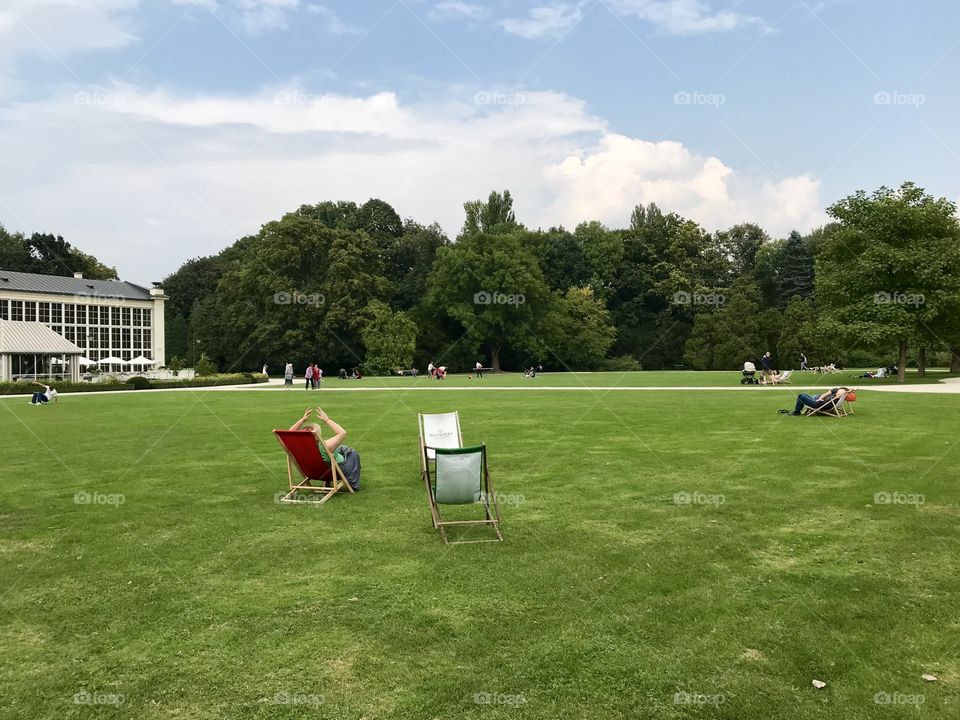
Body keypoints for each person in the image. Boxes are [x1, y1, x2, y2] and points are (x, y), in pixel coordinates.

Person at [289, 408, 361, 490]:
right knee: (353, 453)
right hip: (336, 470)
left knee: (342, 448)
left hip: (315, 472)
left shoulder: (298, 447)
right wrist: (327, 419)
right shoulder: (325, 446)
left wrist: (302, 420)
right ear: (317, 435)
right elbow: (342, 433)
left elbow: (289, 433)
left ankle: (328, 479)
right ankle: (353, 484)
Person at [785, 386, 855, 415]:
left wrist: (847, 392)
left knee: (801, 395)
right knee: (811, 395)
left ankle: (797, 411)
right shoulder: (837, 391)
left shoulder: (839, 395)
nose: (839, 391)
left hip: (819, 405)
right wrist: (820, 398)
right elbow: (826, 394)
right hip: (820, 402)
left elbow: (839, 395)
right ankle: (800, 410)